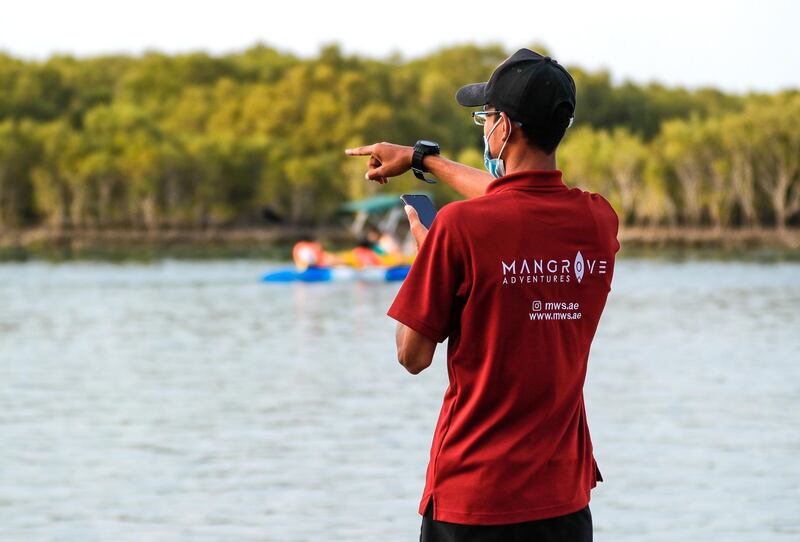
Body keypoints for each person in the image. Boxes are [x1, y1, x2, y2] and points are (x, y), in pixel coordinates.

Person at [345, 49, 620, 542]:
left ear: (505, 129)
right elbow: (514, 197)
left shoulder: (457, 229)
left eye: (486, 117)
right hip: (563, 502)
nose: (483, 126)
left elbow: (411, 356)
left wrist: (426, 261)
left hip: (475, 501)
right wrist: (422, 159)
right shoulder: (598, 221)